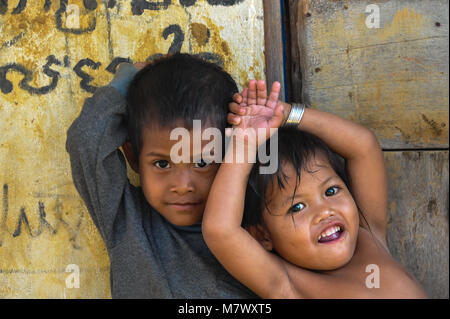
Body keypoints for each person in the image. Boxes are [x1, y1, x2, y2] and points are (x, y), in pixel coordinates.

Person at [202, 79, 428, 298]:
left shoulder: (369, 236)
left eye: (331, 191)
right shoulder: (288, 285)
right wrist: (245, 144)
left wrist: (285, 114)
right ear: (263, 234)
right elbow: (220, 230)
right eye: (297, 207)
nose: (324, 212)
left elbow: (364, 146)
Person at [66, 53, 257, 298]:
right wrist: (130, 78)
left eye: (201, 162)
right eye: (162, 163)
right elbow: (86, 140)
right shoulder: (127, 220)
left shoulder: (254, 230)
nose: (182, 186)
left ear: (229, 155)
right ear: (133, 158)